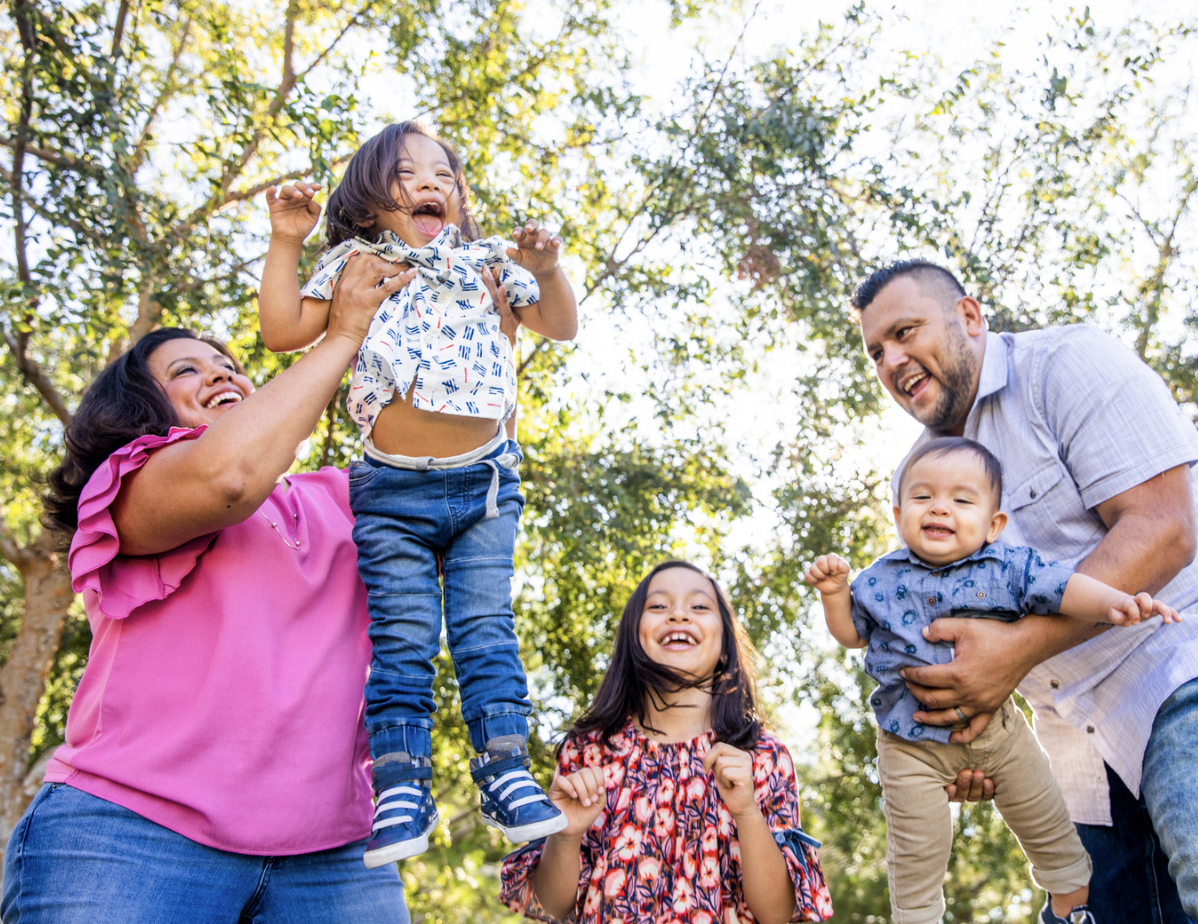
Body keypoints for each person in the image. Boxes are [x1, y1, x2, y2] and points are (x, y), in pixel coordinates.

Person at [852, 258, 1198, 924]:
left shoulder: (1065, 365)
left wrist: (1015, 653)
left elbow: (1163, 530)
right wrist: (961, 739)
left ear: (969, 316)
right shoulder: (916, 475)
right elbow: (954, 635)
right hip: (1073, 727)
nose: (892, 360)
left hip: (1188, 655)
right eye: (877, 352)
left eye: (905, 332)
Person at [4, 252, 424, 923]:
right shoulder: (128, 484)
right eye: (186, 370)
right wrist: (343, 334)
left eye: (227, 364)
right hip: (129, 836)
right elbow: (228, 477)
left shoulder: (339, 498)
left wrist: (487, 332)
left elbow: (463, 490)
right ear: (142, 406)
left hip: (334, 859)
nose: (221, 372)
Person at [258, 121, 579, 867]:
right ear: (370, 199)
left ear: (459, 198)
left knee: (485, 630)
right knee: (401, 643)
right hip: (390, 493)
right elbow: (281, 330)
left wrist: (547, 268)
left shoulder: (488, 260)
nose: (431, 182)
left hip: (484, 483)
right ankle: (400, 785)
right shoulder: (356, 265)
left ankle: (505, 769)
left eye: (443, 174)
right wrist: (284, 241)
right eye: (406, 174)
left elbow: (559, 326)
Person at [806, 436, 1180, 924]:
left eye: (962, 500)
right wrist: (834, 594)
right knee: (916, 852)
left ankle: (1072, 900)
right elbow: (852, 634)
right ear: (898, 516)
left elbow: (1064, 588)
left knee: (1046, 819)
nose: (940, 507)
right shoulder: (880, 579)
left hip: (999, 735)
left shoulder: (1008, 567)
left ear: (993, 525)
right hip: (908, 746)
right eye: (923, 496)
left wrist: (1116, 602)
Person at [497, 561, 834, 924]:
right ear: (633, 638)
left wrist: (748, 813)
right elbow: (549, 907)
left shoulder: (763, 756)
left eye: (699, 606)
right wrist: (565, 836)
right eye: (658, 606)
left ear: (725, 646)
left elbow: (778, 915)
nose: (678, 615)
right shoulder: (587, 752)